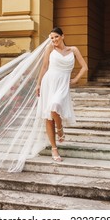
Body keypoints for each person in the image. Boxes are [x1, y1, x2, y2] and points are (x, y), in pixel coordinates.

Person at [36, 27, 88, 162]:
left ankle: (60, 129)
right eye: (51, 38)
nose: (54, 40)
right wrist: (38, 84)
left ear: (62, 36)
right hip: (49, 82)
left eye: (56, 37)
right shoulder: (50, 49)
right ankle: (54, 149)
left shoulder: (73, 50)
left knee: (55, 106)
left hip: (63, 84)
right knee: (48, 116)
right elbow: (44, 67)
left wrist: (75, 80)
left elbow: (85, 67)